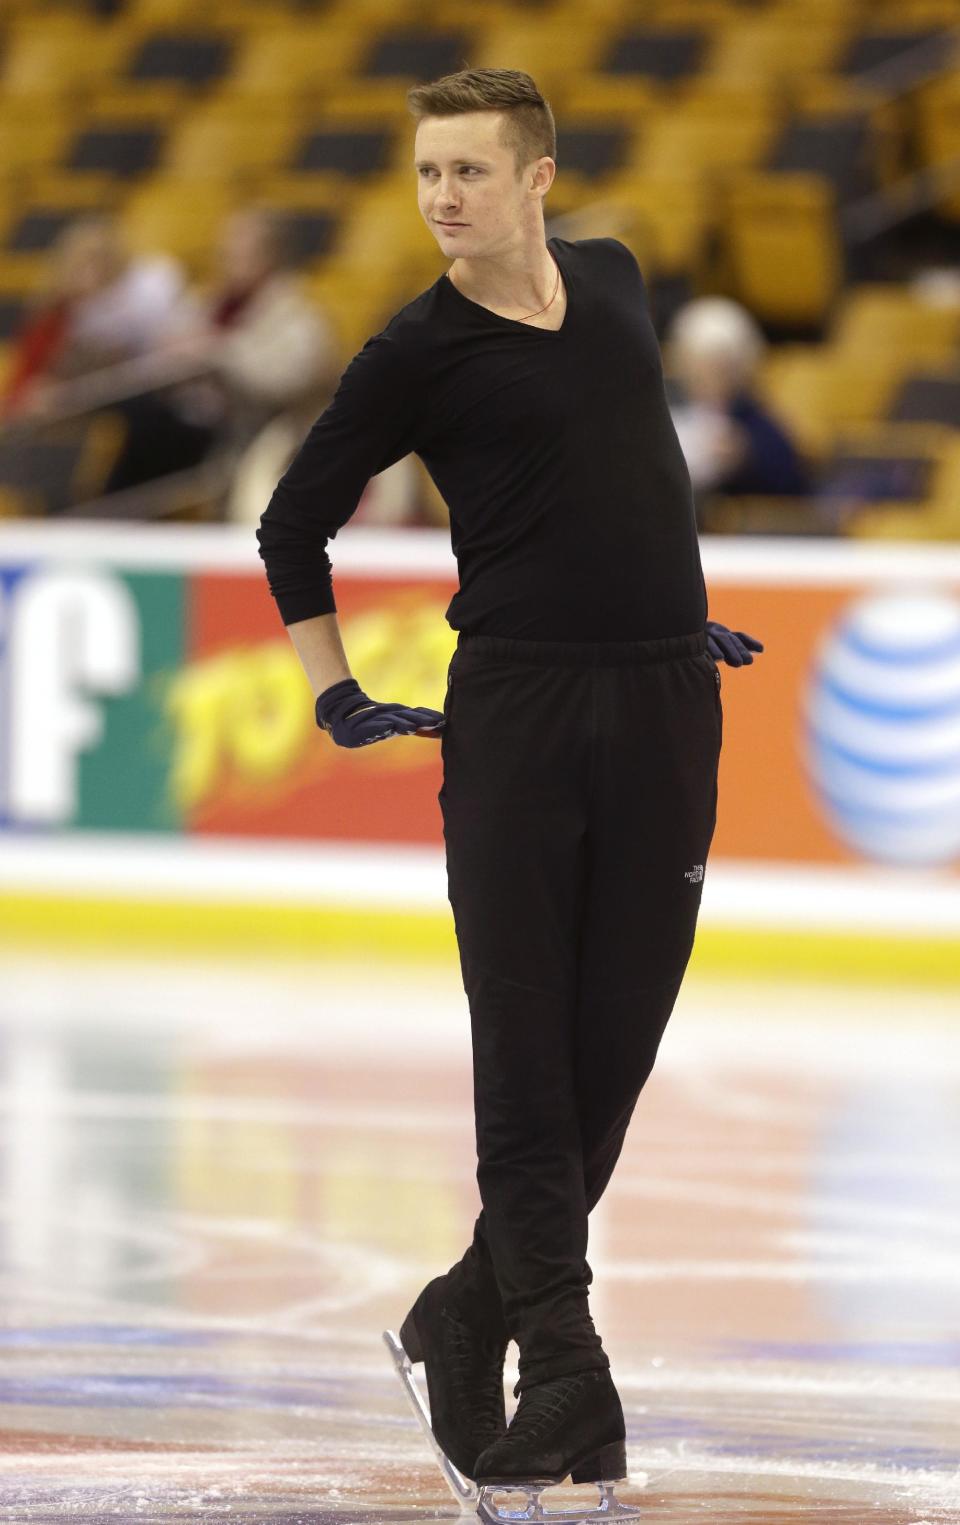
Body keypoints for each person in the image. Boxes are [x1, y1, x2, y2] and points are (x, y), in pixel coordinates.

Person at [256, 67, 763, 1505]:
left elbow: (624, 470)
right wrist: (336, 690)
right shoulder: (412, 351)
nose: (442, 199)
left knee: (613, 1056)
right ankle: (567, 1376)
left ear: (539, 178)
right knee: (528, 1062)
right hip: (521, 718)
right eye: (426, 174)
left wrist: (661, 616)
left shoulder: (612, 279)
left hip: (667, 697)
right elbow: (294, 527)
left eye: (469, 172)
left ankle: (462, 1311)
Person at [664, 296, 811, 509]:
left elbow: (792, 483)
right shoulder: (669, 413)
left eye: (719, 367)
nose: (707, 377)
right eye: (697, 366)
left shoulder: (758, 424)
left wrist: (746, 456)